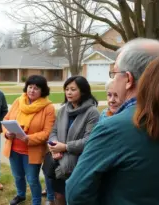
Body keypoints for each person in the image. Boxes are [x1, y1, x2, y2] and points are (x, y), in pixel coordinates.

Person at [66, 38, 159, 205]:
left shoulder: (114, 128)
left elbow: (76, 193)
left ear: (128, 79)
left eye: (114, 73)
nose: (113, 79)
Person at [3, 75, 56, 205]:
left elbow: (47, 132)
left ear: (43, 91)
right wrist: (6, 133)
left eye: (36, 88)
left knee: (32, 179)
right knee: (18, 176)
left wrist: (28, 138)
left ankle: (36, 201)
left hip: (32, 150)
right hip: (14, 148)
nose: (32, 90)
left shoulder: (48, 108)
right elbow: (6, 120)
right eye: (30, 87)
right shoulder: (18, 101)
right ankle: (21, 195)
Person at [47, 76, 100, 205]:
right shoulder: (63, 109)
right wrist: (54, 147)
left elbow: (90, 141)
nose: (69, 92)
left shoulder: (92, 112)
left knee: (75, 198)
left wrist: (65, 147)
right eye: (66, 89)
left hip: (79, 164)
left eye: (73, 89)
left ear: (83, 91)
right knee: (59, 195)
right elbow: (53, 132)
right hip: (59, 161)